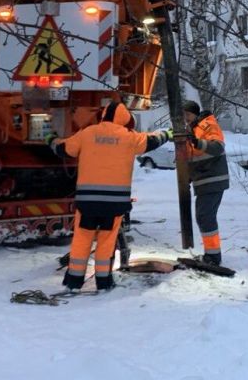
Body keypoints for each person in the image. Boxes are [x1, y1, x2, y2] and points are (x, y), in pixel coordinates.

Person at [48, 100, 170, 291]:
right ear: (124, 119)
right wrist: (167, 134)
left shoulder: (88, 133)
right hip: (115, 203)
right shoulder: (129, 137)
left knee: (82, 238)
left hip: (87, 201)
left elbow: (64, 149)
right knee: (106, 240)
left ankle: (74, 280)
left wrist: (50, 139)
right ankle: (103, 281)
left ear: (104, 115)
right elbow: (152, 141)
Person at [183, 100, 229, 266]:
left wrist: (196, 142)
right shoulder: (194, 129)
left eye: (187, 115)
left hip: (212, 179)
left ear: (195, 114)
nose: (185, 118)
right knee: (204, 217)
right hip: (205, 180)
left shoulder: (208, 125)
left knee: (205, 217)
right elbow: (193, 157)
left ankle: (213, 256)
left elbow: (217, 148)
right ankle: (212, 254)